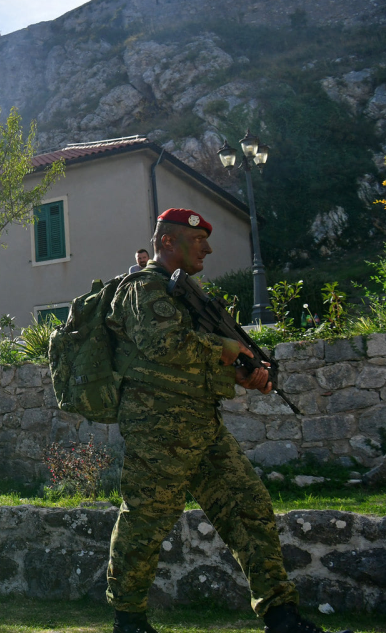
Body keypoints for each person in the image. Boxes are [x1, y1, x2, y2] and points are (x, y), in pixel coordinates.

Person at [105, 209, 347, 633]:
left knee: (249, 508)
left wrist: (242, 373)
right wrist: (226, 349)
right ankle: (129, 621)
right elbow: (164, 346)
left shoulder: (184, 293)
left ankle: (282, 617)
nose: (209, 249)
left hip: (201, 424)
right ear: (166, 242)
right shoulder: (142, 289)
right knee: (146, 520)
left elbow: (194, 359)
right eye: (198, 241)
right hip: (158, 429)